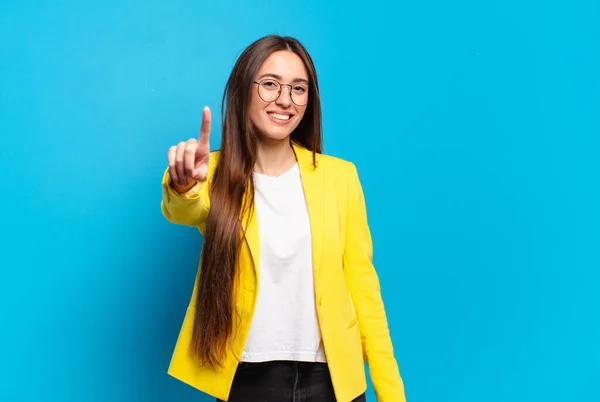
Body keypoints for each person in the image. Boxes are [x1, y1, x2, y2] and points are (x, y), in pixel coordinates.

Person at [160, 35, 406, 402]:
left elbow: (365, 292)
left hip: (332, 381)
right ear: (244, 91)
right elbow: (185, 210)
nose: (285, 100)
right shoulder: (210, 173)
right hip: (246, 380)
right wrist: (182, 184)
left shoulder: (340, 178)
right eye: (270, 84)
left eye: (298, 88)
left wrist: (391, 394)